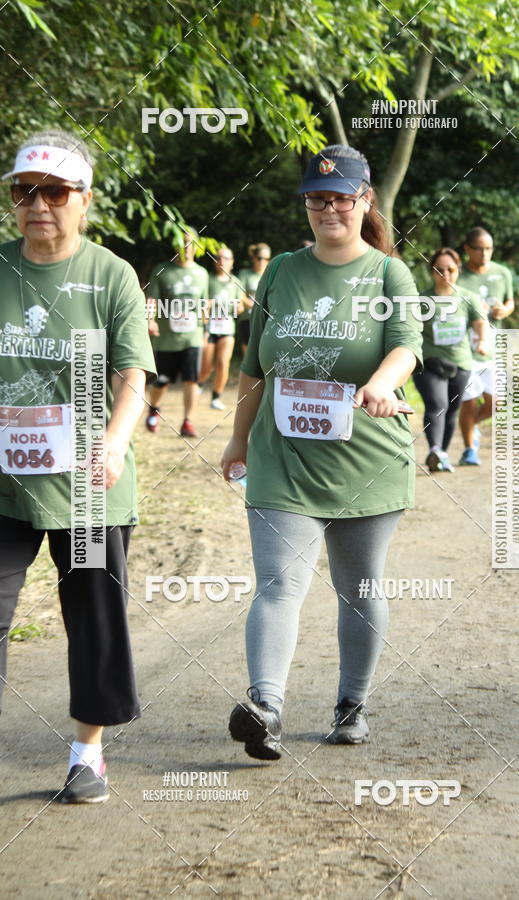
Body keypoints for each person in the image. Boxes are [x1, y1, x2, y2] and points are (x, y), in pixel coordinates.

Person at [221, 144, 422, 760]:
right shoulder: (281, 270)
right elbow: (255, 366)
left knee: (359, 588)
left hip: (367, 462)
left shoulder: (390, 274)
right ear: (306, 203)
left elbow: (406, 347)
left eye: (341, 197)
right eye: (317, 197)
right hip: (283, 457)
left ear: (365, 201)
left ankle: (351, 705)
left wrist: (382, 386)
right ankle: (267, 709)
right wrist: (236, 439)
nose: (328, 207)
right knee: (278, 584)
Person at [0, 128, 155, 803]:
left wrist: (116, 440)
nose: (39, 204)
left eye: (55, 191)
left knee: (93, 614)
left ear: (83, 200)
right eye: (23, 191)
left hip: (89, 486)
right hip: (4, 481)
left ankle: (87, 752)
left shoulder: (109, 274)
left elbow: (131, 372)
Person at [413, 248, 488, 472]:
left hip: (460, 363)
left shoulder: (468, 298)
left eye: (450, 269)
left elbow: (480, 322)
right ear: (432, 271)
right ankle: (435, 448)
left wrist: (482, 342)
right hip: (429, 363)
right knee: (437, 405)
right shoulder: (421, 300)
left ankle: (441, 454)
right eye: (439, 269)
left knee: (452, 410)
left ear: (458, 270)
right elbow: (409, 330)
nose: (445, 273)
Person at [457, 227, 514, 465]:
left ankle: (471, 426)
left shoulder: (502, 273)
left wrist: (506, 309)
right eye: (479, 248)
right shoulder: (457, 275)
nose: (484, 253)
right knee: (469, 401)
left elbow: (511, 301)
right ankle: (470, 449)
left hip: (494, 346)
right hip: (464, 347)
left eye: (489, 248)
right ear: (467, 249)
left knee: (497, 402)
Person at [145, 230, 209, 437]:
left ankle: (188, 421)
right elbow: (151, 300)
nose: (187, 249)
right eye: (182, 244)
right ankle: (154, 408)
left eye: (191, 244)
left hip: (192, 336)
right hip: (166, 338)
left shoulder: (202, 273)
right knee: (162, 380)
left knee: (192, 380)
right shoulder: (162, 270)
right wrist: (150, 319)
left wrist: (206, 329)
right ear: (175, 247)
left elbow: (204, 304)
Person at [197, 246, 244, 410]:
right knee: (207, 365)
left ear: (232, 262)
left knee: (223, 362)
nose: (222, 261)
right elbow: (202, 303)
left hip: (227, 329)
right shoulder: (207, 280)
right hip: (209, 328)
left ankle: (216, 396)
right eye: (219, 258)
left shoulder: (236, 282)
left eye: (226, 258)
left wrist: (237, 307)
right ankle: (199, 383)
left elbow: (241, 306)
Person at [236, 243, 271, 355]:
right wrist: (254, 304)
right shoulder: (245, 274)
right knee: (249, 357)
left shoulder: (271, 275)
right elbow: (240, 294)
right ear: (254, 258)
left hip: (266, 320)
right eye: (259, 258)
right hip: (248, 319)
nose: (262, 262)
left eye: (266, 259)